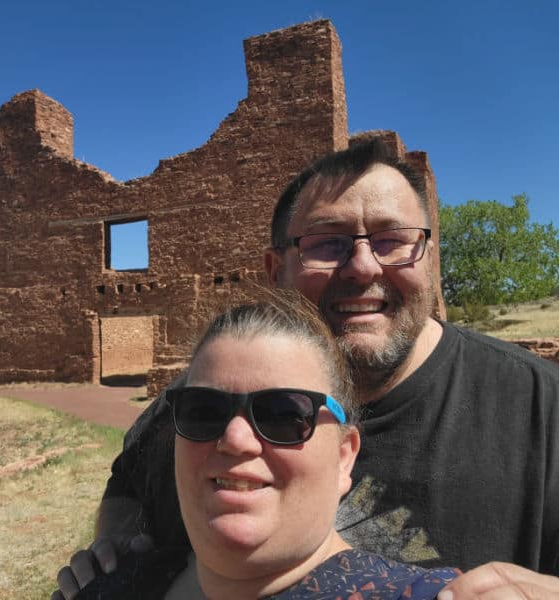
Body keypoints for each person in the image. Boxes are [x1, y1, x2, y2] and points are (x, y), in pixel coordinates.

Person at [54, 139, 559, 599]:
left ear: (428, 257)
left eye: (393, 240)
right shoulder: (193, 405)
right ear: (277, 272)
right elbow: (128, 481)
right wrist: (114, 548)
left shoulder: (541, 406)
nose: (363, 267)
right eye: (327, 243)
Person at [73, 298, 459, 599]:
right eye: (203, 411)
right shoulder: (116, 588)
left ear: (344, 456)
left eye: (283, 414)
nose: (236, 439)